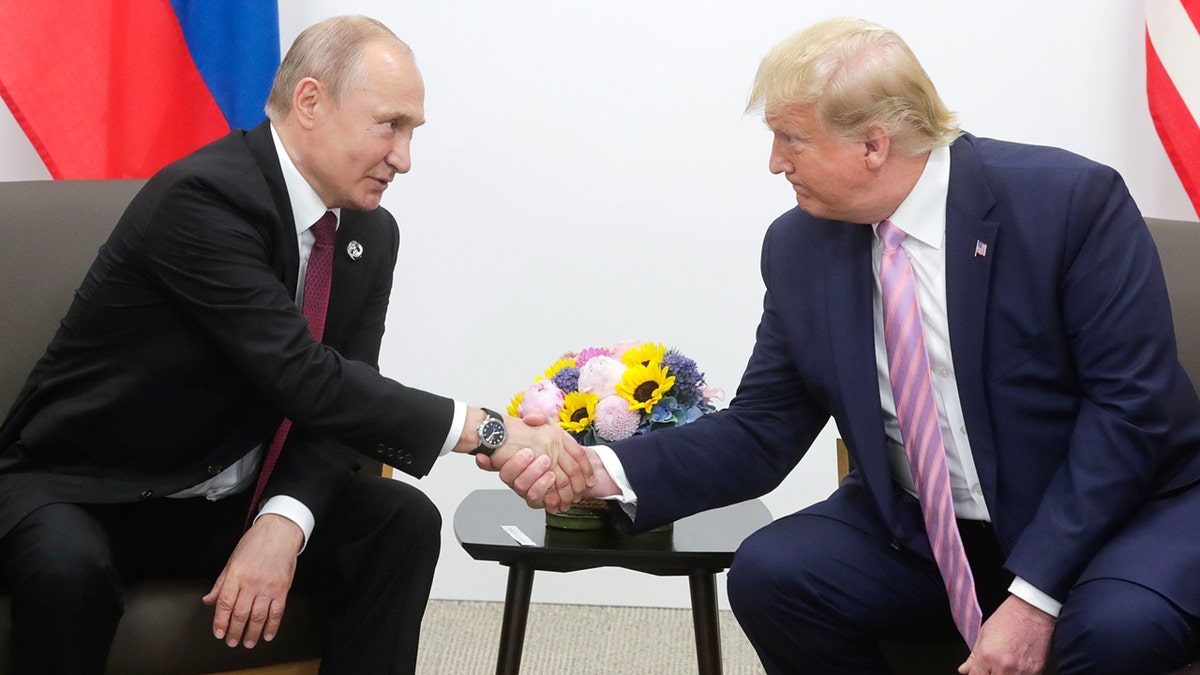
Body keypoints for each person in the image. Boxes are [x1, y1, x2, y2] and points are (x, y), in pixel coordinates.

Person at [486, 17, 1200, 675]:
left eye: (790, 139)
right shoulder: (800, 246)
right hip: (931, 529)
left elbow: (1128, 413)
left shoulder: (1067, 204)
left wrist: (1037, 594)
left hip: (1115, 518)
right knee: (776, 574)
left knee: (1113, 630)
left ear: (873, 144)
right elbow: (761, 430)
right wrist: (596, 470)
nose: (774, 163)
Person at [0, 15, 587, 675]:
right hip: (91, 490)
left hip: (225, 496)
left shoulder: (369, 236)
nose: (404, 157)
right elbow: (307, 378)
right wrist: (489, 430)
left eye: (412, 132)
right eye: (389, 125)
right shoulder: (203, 200)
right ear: (311, 102)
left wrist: (284, 519)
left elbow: (340, 402)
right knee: (64, 570)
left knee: (398, 523)